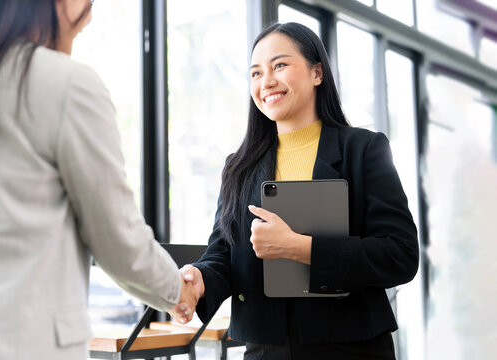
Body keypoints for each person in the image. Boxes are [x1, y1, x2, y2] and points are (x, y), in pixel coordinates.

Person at [0, 1, 196, 359]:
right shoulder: (66, 84)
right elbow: (116, 238)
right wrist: (176, 290)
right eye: (77, 28)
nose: (71, 43)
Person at [178, 22, 419, 359]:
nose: (267, 82)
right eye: (256, 73)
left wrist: (299, 247)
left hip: (352, 349)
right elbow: (223, 254)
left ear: (316, 72)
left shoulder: (364, 150)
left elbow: (400, 255)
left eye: (280, 65)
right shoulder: (239, 167)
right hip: (266, 349)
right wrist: (199, 279)